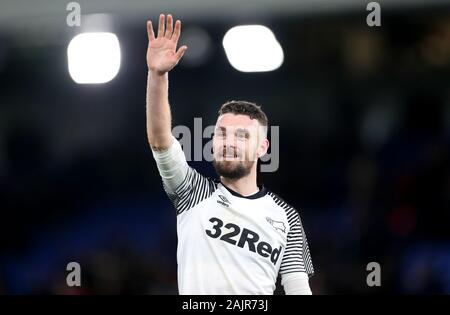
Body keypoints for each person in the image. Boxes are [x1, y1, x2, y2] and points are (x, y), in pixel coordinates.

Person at [146, 14, 314, 295]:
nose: (228, 142)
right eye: (222, 134)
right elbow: (161, 141)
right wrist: (157, 75)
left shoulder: (287, 217)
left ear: (263, 148)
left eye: (242, 136)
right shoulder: (192, 193)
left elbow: (299, 289)